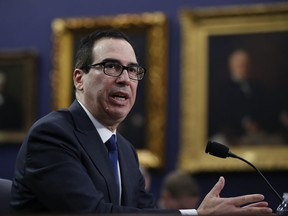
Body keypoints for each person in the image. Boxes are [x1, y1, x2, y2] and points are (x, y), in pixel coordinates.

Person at [10, 29, 273, 215]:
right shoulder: (52, 135)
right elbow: (93, 212)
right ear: (79, 78)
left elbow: (146, 212)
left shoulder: (124, 150)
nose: (125, 78)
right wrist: (196, 215)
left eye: (133, 70)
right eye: (111, 66)